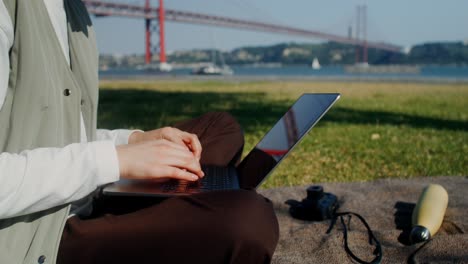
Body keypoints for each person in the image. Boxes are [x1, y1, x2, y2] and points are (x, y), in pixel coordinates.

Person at [0, 0, 279, 263]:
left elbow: (58, 129)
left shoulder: (73, 13)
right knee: (249, 220)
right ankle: (194, 211)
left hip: (84, 192)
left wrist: (132, 140)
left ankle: (190, 202)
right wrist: (116, 161)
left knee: (220, 128)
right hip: (42, 234)